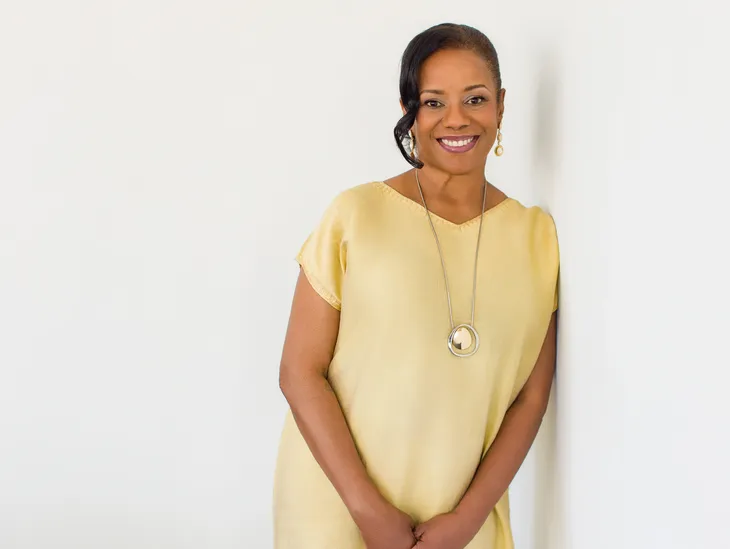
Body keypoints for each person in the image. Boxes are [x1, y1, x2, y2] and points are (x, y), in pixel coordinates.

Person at [273, 22, 560, 549]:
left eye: (475, 98)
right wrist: (368, 510)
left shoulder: (537, 239)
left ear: (501, 106)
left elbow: (530, 398)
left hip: (460, 520)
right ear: (409, 111)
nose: (457, 119)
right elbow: (299, 371)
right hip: (335, 505)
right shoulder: (356, 215)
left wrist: (468, 519)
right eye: (433, 102)